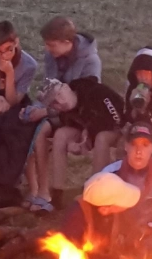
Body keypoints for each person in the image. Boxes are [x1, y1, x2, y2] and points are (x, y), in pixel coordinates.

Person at [26, 77, 125, 213]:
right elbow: (72, 125)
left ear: (66, 87)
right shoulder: (66, 110)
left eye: (59, 95)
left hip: (119, 130)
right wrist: (77, 142)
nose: (60, 102)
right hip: (91, 132)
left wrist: (89, 132)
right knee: (61, 134)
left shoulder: (96, 92)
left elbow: (117, 119)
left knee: (101, 138)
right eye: (54, 103)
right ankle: (57, 195)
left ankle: (96, 191)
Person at [39, 15, 101, 85]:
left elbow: (91, 93)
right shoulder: (51, 54)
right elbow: (48, 81)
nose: (47, 48)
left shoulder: (90, 61)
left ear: (66, 42)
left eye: (52, 45)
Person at [123, 48, 152, 118]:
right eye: (139, 73)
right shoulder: (133, 88)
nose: (143, 77)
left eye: (148, 73)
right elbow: (128, 116)